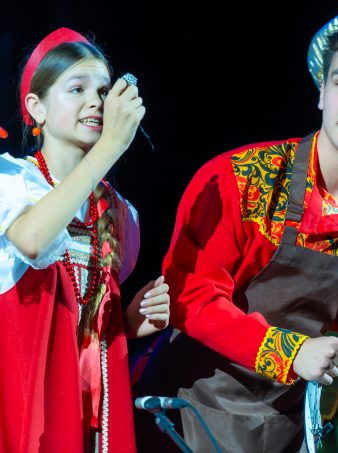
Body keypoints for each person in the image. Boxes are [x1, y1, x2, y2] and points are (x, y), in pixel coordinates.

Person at [135, 1, 338, 452]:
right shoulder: (241, 178)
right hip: (188, 412)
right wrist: (290, 352)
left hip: (290, 426)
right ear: (321, 93)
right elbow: (191, 294)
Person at [0, 27, 170, 452]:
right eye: (77, 89)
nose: (96, 101)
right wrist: (110, 147)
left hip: (88, 416)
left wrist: (128, 322)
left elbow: (83, 328)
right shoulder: (12, 183)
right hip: (23, 403)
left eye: (103, 91)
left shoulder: (121, 215)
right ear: (36, 108)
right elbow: (32, 240)